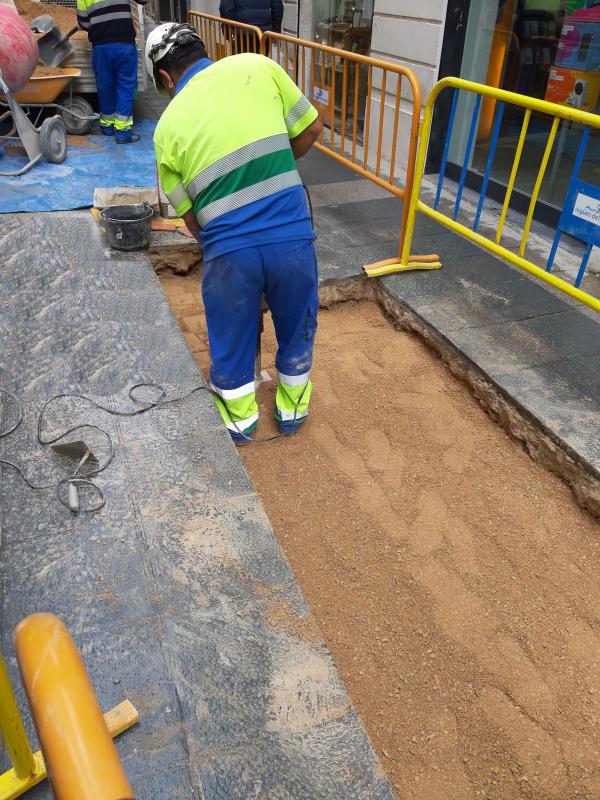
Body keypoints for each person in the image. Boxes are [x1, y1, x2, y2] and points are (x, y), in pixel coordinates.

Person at [145, 23, 323, 443]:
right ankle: (292, 409)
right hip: (293, 237)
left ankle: (240, 422)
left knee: (230, 331)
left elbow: (190, 217)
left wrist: (225, 244)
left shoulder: (165, 129)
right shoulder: (257, 67)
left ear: (166, 77)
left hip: (228, 248)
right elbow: (311, 130)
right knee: (297, 321)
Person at [76, 0, 146, 142]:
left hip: (100, 47)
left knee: (105, 86)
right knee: (126, 86)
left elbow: (84, 23)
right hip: (124, 44)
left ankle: (107, 127)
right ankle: (123, 132)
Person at [219, 0, 284, 33]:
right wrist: (276, 31)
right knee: (261, 57)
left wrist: (231, 31)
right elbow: (278, 8)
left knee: (241, 58)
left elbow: (225, 9)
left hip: (241, 31)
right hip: (264, 32)